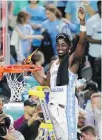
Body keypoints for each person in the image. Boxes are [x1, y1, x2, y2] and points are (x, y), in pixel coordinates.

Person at [25, 7, 86, 140]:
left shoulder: (72, 62)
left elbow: (81, 43)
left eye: (63, 45)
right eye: (58, 44)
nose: (60, 47)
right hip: (53, 108)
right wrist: (30, 67)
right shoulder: (53, 64)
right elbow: (45, 83)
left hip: (66, 109)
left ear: (69, 47)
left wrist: (82, 22)